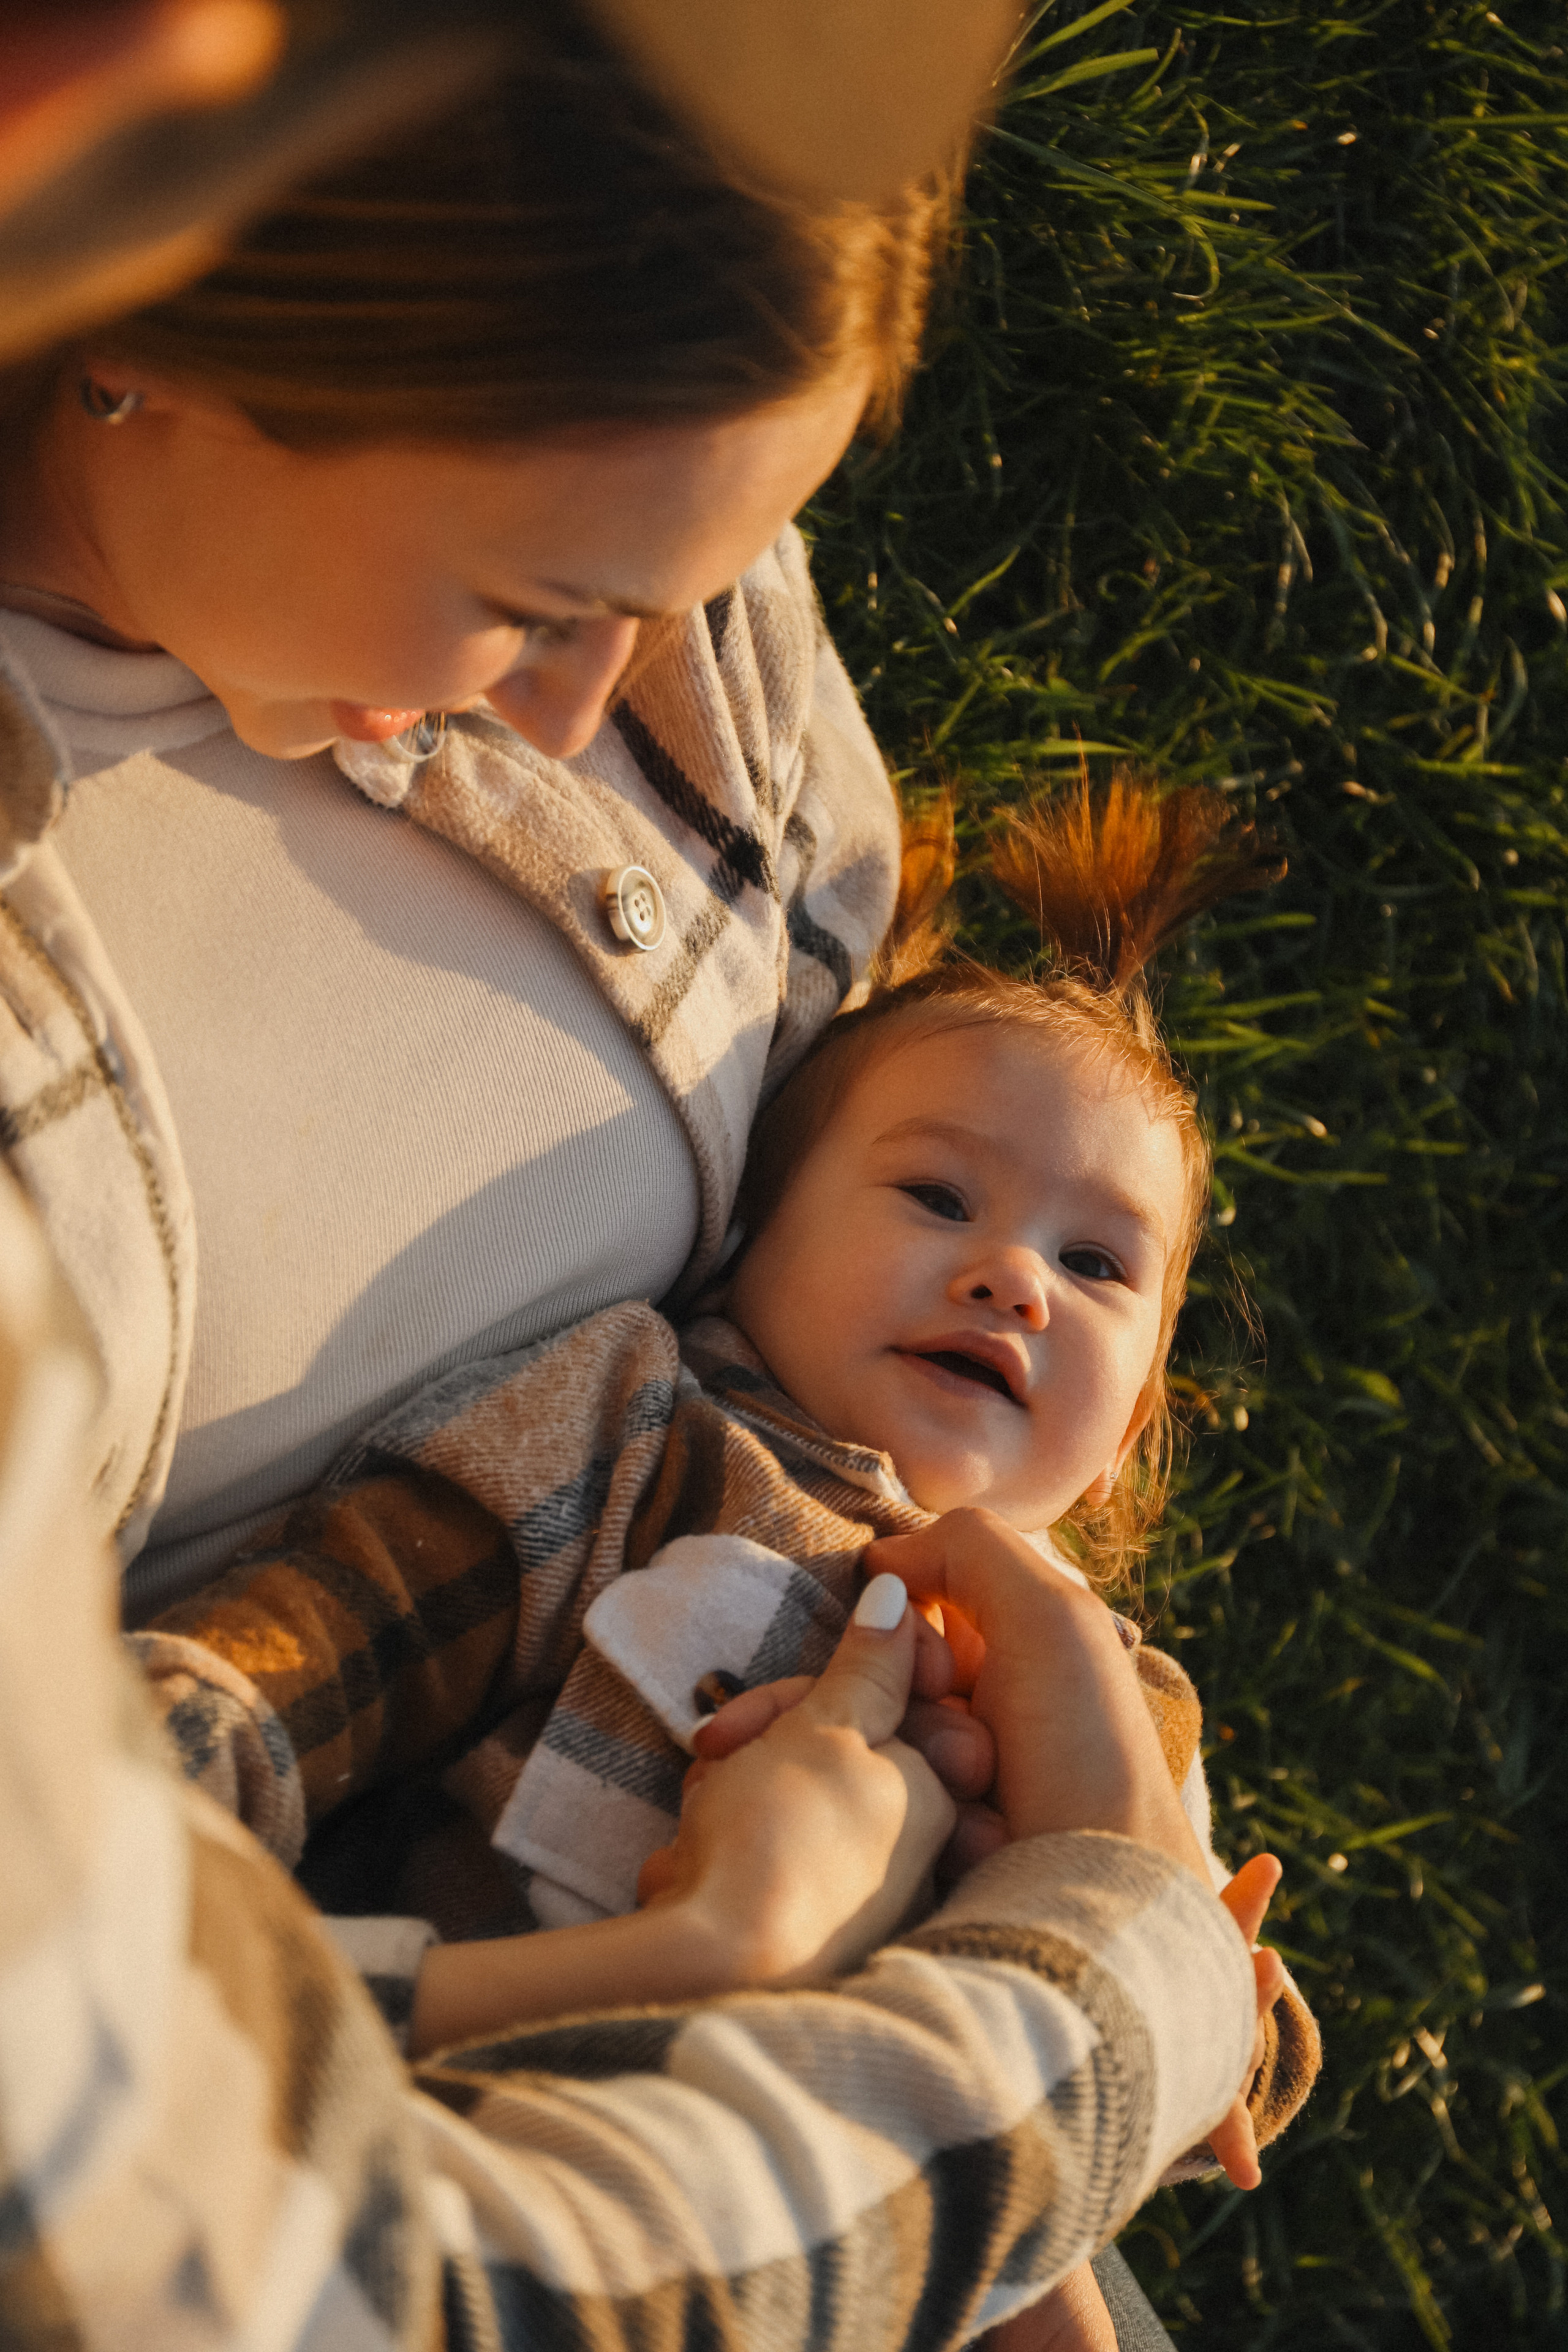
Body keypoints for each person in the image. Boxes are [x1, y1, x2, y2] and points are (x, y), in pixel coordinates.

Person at [0, 6, 1262, 2346]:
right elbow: (208, 2224)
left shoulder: (659, 609)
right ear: (151, 297)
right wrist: (1021, 1981)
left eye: (708, 574)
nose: (599, 697)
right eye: (534, 597)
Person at [137, 778, 1321, 2343]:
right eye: (935, 1194)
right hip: (490, 2136)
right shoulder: (642, 1441)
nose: (1011, 1279)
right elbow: (354, 1626)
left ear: (1132, 1430)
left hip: (877, 2216)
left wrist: (1234, 2038)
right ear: (745, 1236)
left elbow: (1191, 2058)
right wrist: (158, 1785)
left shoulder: (1112, 1693)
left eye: (1096, 1265)